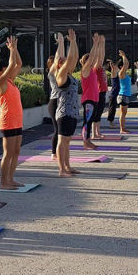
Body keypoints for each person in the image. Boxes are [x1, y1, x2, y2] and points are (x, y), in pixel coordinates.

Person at [0, 36, 24, 189]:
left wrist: (16, 49)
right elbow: (13, 64)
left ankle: (10, 179)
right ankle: (3, 182)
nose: (9, 70)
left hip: (17, 120)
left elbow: (18, 63)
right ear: (0, 71)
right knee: (8, 152)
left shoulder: (10, 81)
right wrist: (11, 50)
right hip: (7, 121)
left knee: (16, 151)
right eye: (6, 69)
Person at [55, 29, 80, 177]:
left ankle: (68, 166)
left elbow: (74, 58)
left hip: (72, 112)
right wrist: (70, 43)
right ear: (59, 65)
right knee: (62, 141)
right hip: (64, 113)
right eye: (62, 60)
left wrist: (74, 42)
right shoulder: (61, 76)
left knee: (68, 141)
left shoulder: (70, 75)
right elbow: (70, 59)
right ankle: (61, 169)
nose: (67, 61)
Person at [79, 33, 105, 149]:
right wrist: (95, 44)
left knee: (90, 120)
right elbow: (93, 57)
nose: (93, 61)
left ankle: (88, 140)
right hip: (88, 99)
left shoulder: (93, 70)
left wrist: (100, 44)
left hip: (94, 98)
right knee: (87, 121)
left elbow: (99, 57)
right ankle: (85, 142)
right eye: (90, 60)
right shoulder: (85, 70)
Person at [46, 33, 65, 160]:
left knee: (61, 130)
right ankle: (54, 153)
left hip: (62, 102)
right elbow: (59, 57)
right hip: (54, 102)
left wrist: (62, 43)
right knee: (57, 129)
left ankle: (58, 152)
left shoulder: (61, 73)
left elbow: (62, 57)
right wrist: (60, 43)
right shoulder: (52, 74)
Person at [91, 35, 108, 139]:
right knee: (96, 112)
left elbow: (102, 56)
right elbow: (98, 57)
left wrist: (103, 43)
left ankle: (97, 132)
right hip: (98, 91)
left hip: (103, 91)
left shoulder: (100, 68)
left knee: (100, 112)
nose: (101, 61)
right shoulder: (95, 68)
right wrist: (97, 44)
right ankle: (93, 134)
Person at [117, 50, 131, 134]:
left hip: (125, 95)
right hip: (122, 95)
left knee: (124, 113)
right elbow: (126, 64)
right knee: (122, 113)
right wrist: (123, 56)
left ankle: (123, 128)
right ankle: (122, 129)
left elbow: (127, 64)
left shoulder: (125, 73)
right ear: (121, 67)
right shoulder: (121, 73)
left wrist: (124, 57)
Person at [106, 58, 120, 128]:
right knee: (112, 109)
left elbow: (116, 66)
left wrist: (118, 61)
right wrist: (111, 62)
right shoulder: (113, 73)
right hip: (113, 94)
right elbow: (113, 67)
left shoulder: (116, 74)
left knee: (113, 109)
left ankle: (112, 121)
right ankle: (111, 123)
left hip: (115, 94)